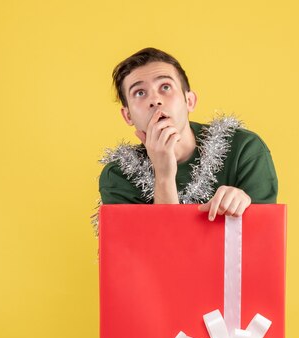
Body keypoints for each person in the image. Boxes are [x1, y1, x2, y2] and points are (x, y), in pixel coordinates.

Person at [99, 47, 277, 221]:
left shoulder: (244, 149)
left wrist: (242, 210)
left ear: (189, 101)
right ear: (128, 115)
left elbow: (263, 244)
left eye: (166, 87)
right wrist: (164, 176)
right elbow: (156, 250)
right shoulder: (119, 175)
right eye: (139, 93)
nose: (155, 100)